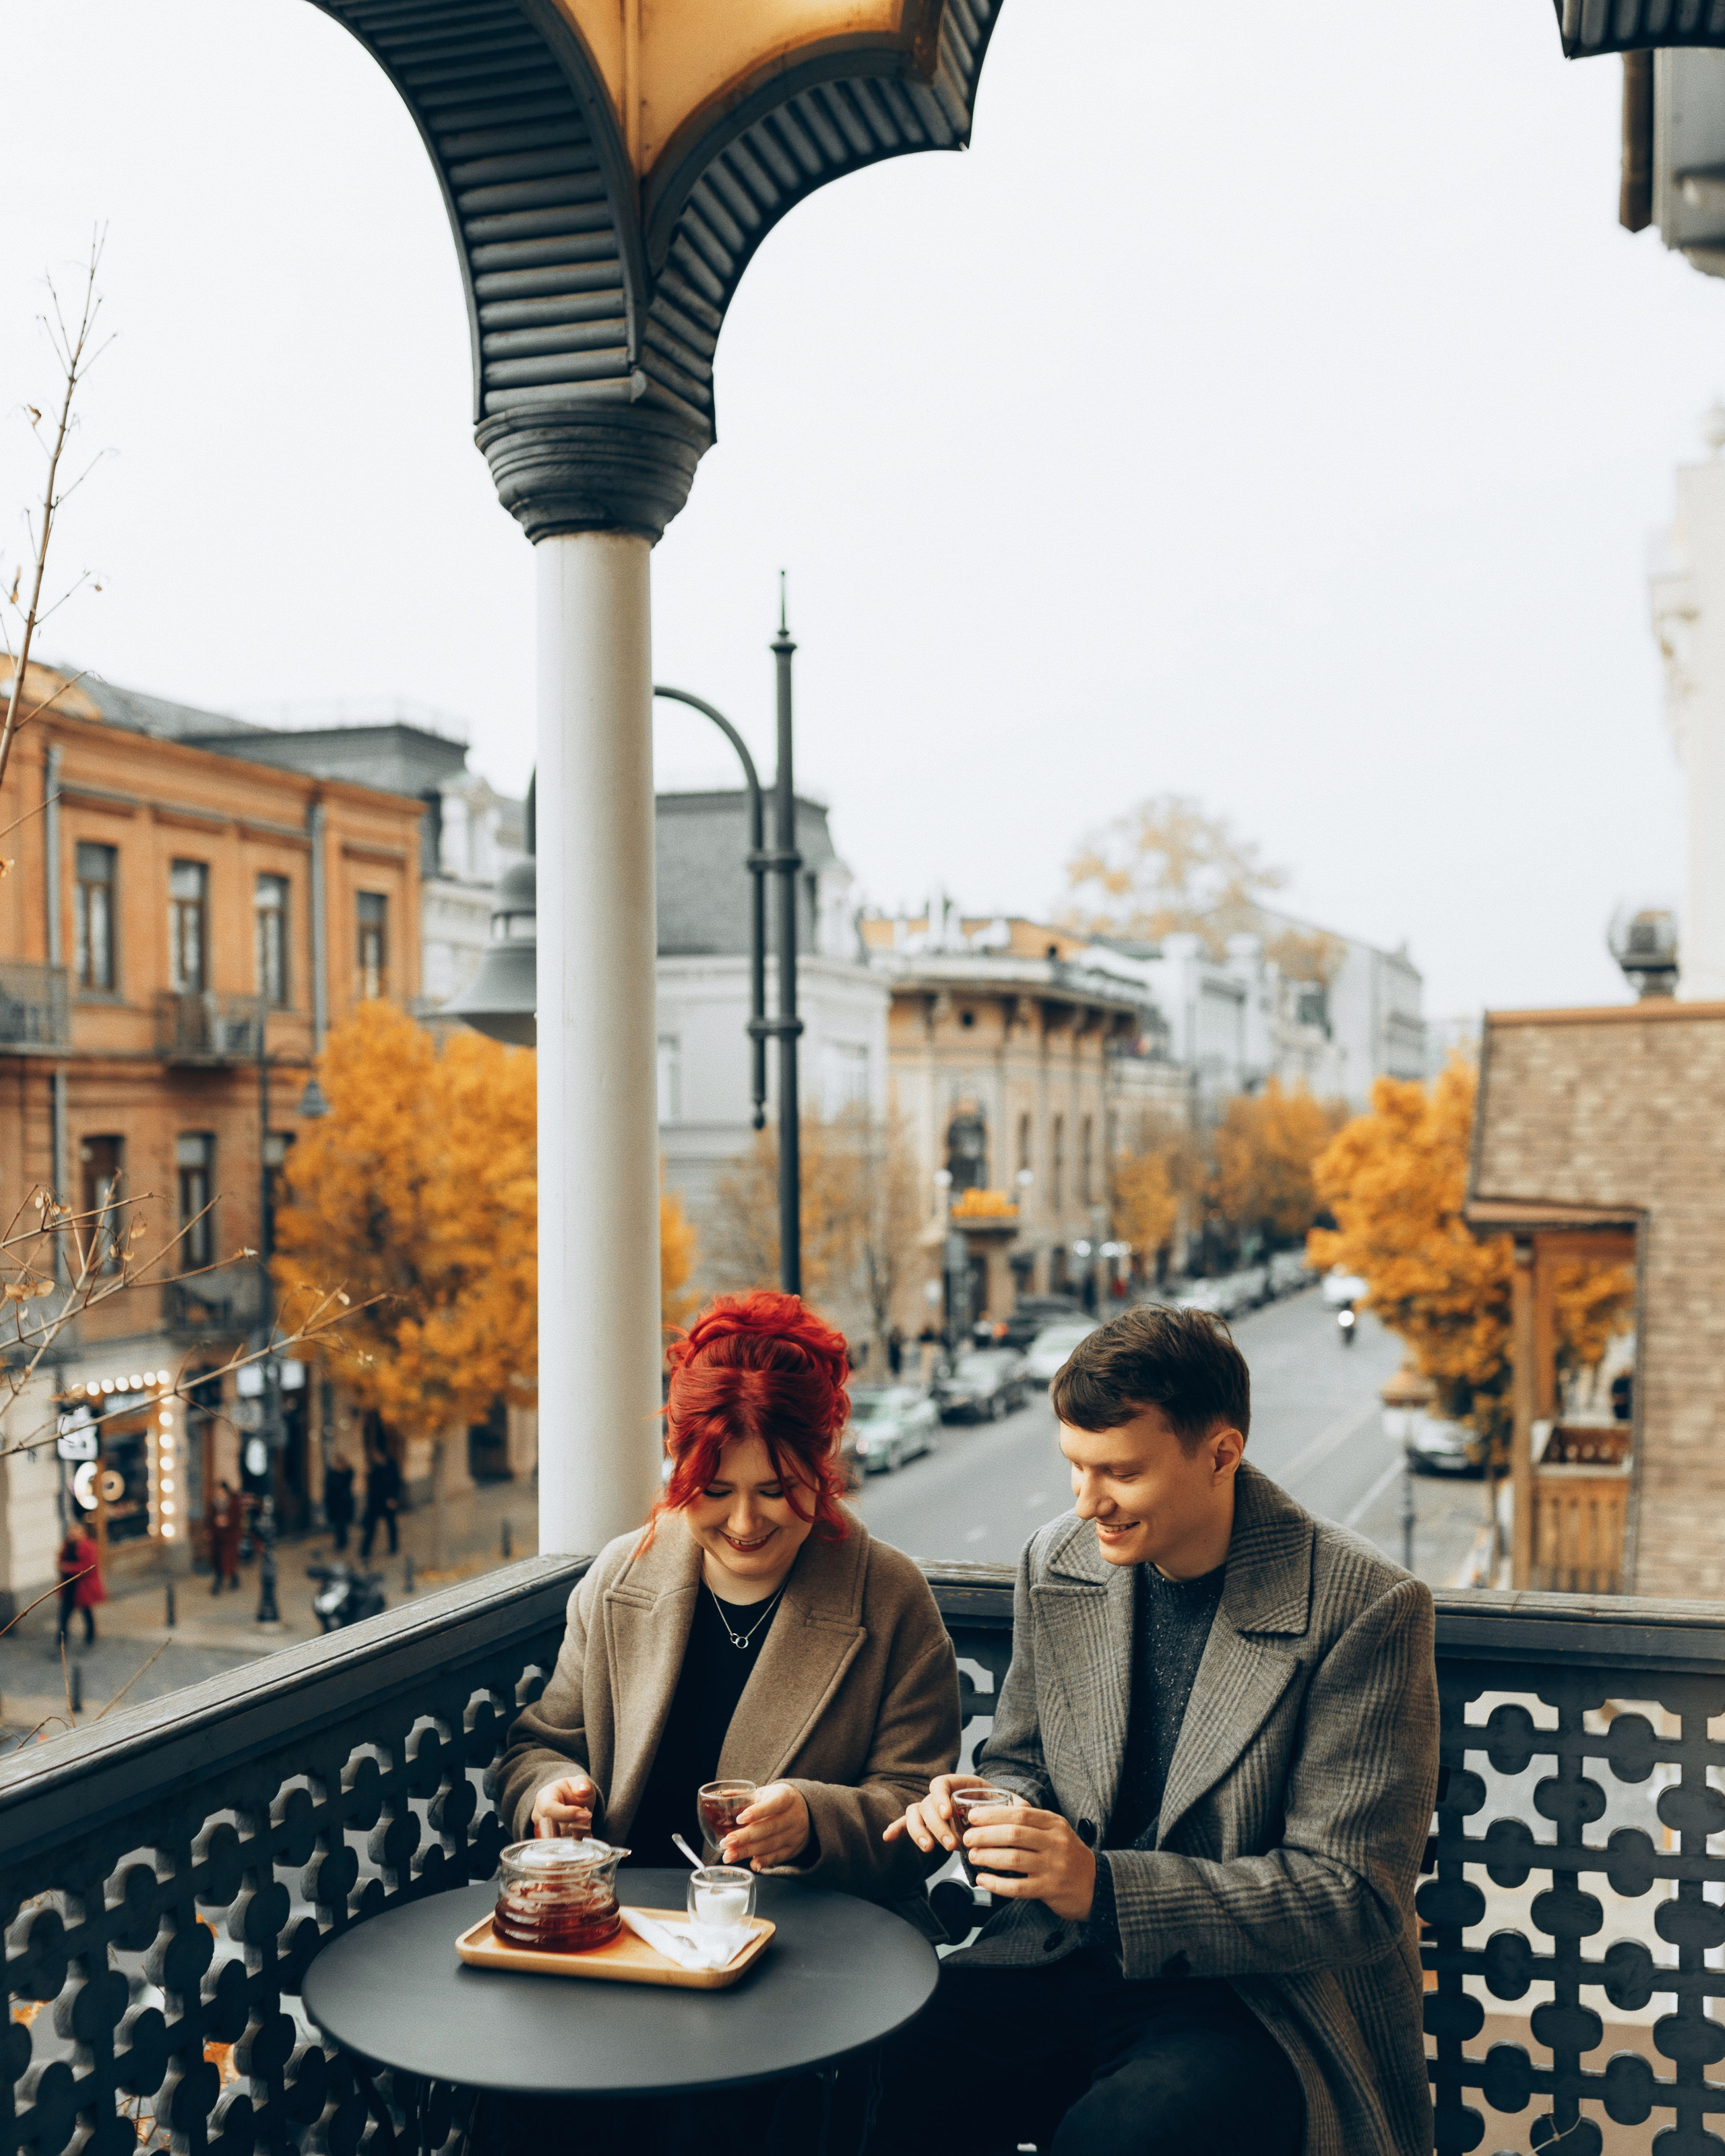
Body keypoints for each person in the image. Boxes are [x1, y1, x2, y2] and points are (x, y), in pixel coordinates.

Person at [875, 1304, 1439, 2156]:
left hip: (1253, 2002)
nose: (1086, 1500)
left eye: (1120, 1472)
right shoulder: (1054, 1558)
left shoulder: (1364, 1606)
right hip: (1055, 1960)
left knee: (1126, 2135)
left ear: (1220, 1453)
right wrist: (988, 1806)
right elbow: (1024, 1758)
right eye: (1074, 1465)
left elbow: (1350, 1895)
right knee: (867, 2073)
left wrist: (1101, 1886)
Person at [491, 1290, 961, 2154]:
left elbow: (920, 1809)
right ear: (679, 1472)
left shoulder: (889, 1597)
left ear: (821, 1471)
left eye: (776, 1490)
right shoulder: (618, 1577)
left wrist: (815, 1817)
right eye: (714, 1490)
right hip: (625, 1952)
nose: (744, 1523)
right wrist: (548, 1796)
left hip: (809, 1966)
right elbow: (540, 1742)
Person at [57, 1523, 104, 1645]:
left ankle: (90, 1637)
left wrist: (69, 1568)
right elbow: (61, 1559)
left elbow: (89, 1567)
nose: (73, 1535)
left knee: (86, 1613)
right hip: (69, 1586)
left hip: (83, 1586)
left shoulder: (88, 1546)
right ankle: (62, 1639)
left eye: (76, 1532)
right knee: (64, 1615)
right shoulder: (68, 1545)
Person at [359, 1444, 401, 1560]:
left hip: (389, 1502)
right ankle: (365, 1550)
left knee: (391, 1526)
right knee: (371, 1528)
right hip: (376, 1503)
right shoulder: (374, 1469)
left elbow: (396, 1483)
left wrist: (394, 1498)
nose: (374, 1457)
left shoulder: (391, 1466)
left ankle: (393, 1547)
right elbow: (372, 1488)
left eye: (376, 1454)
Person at [208, 1480, 243, 1594]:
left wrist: (228, 1521)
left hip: (230, 1537)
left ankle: (233, 1578)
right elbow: (210, 1518)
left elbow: (237, 1519)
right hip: (218, 1537)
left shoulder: (233, 1503)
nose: (219, 1493)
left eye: (221, 1490)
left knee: (229, 1560)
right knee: (219, 1561)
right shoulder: (214, 1503)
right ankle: (219, 1582)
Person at [323, 1453, 356, 1552]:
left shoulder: (346, 1474)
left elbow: (350, 1476)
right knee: (338, 1524)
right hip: (334, 1503)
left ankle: (342, 1543)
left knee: (341, 1524)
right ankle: (341, 1542)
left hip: (343, 1503)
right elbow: (329, 1488)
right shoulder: (332, 1474)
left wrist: (345, 1468)